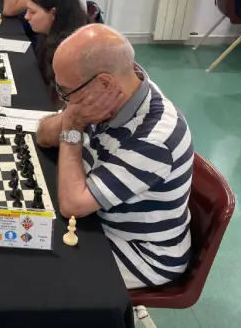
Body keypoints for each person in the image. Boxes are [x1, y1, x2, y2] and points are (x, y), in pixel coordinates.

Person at [36, 24, 193, 289]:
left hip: (141, 253)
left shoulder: (153, 139)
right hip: (98, 218)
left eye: (66, 92)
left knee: (37, 276)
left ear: (105, 83)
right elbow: (42, 134)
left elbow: (72, 205)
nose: (65, 100)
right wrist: (71, 119)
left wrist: (72, 126)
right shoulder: (111, 94)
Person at [25, 0, 90, 100]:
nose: (26, 16)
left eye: (32, 12)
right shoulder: (50, 32)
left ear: (53, 13)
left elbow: (66, 101)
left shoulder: (70, 52)